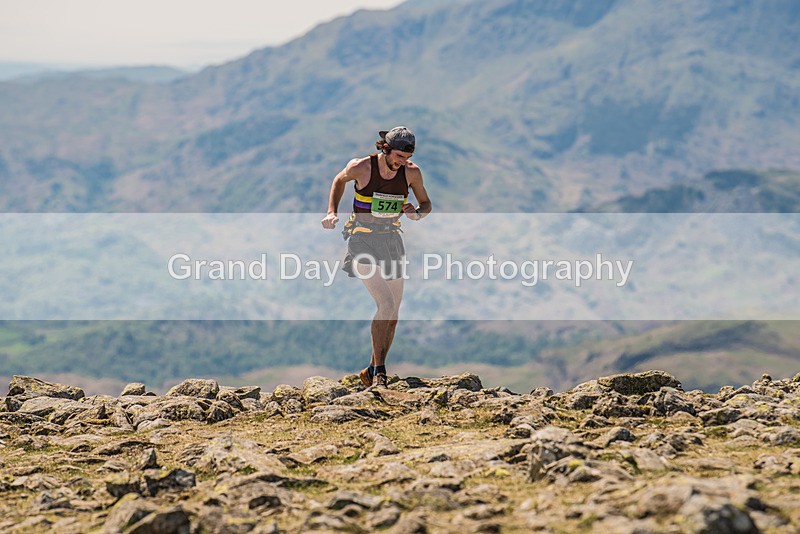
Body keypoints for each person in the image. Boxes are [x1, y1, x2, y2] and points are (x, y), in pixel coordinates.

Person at [321, 126, 432, 388]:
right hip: (362, 240)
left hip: (391, 241)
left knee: (393, 312)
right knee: (384, 303)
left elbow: (426, 204)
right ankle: (380, 373)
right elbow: (339, 180)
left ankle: (371, 369)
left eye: (407, 158)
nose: (402, 163)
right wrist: (331, 211)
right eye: (398, 157)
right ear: (385, 148)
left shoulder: (412, 173)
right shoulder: (362, 167)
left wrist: (416, 213)